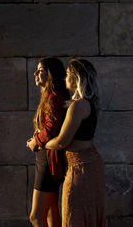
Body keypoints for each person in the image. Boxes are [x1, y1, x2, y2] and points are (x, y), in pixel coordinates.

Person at [42, 58, 106, 227]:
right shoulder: (88, 104)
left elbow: (62, 141)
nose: (65, 78)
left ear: (77, 78)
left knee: (73, 213)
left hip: (81, 168)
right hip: (89, 164)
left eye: (68, 74)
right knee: (87, 214)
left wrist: (40, 143)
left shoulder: (78, 105)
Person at [26, 57, 69, 227]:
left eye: (40, 70)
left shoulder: (53, 97)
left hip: (49, 161)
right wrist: (37, 136)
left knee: (36, 217)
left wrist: (35, 141)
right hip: (48, 159)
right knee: (52, 215)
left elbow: (51, 129)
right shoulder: (50, 96)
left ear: (50, 74)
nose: (35, 73)